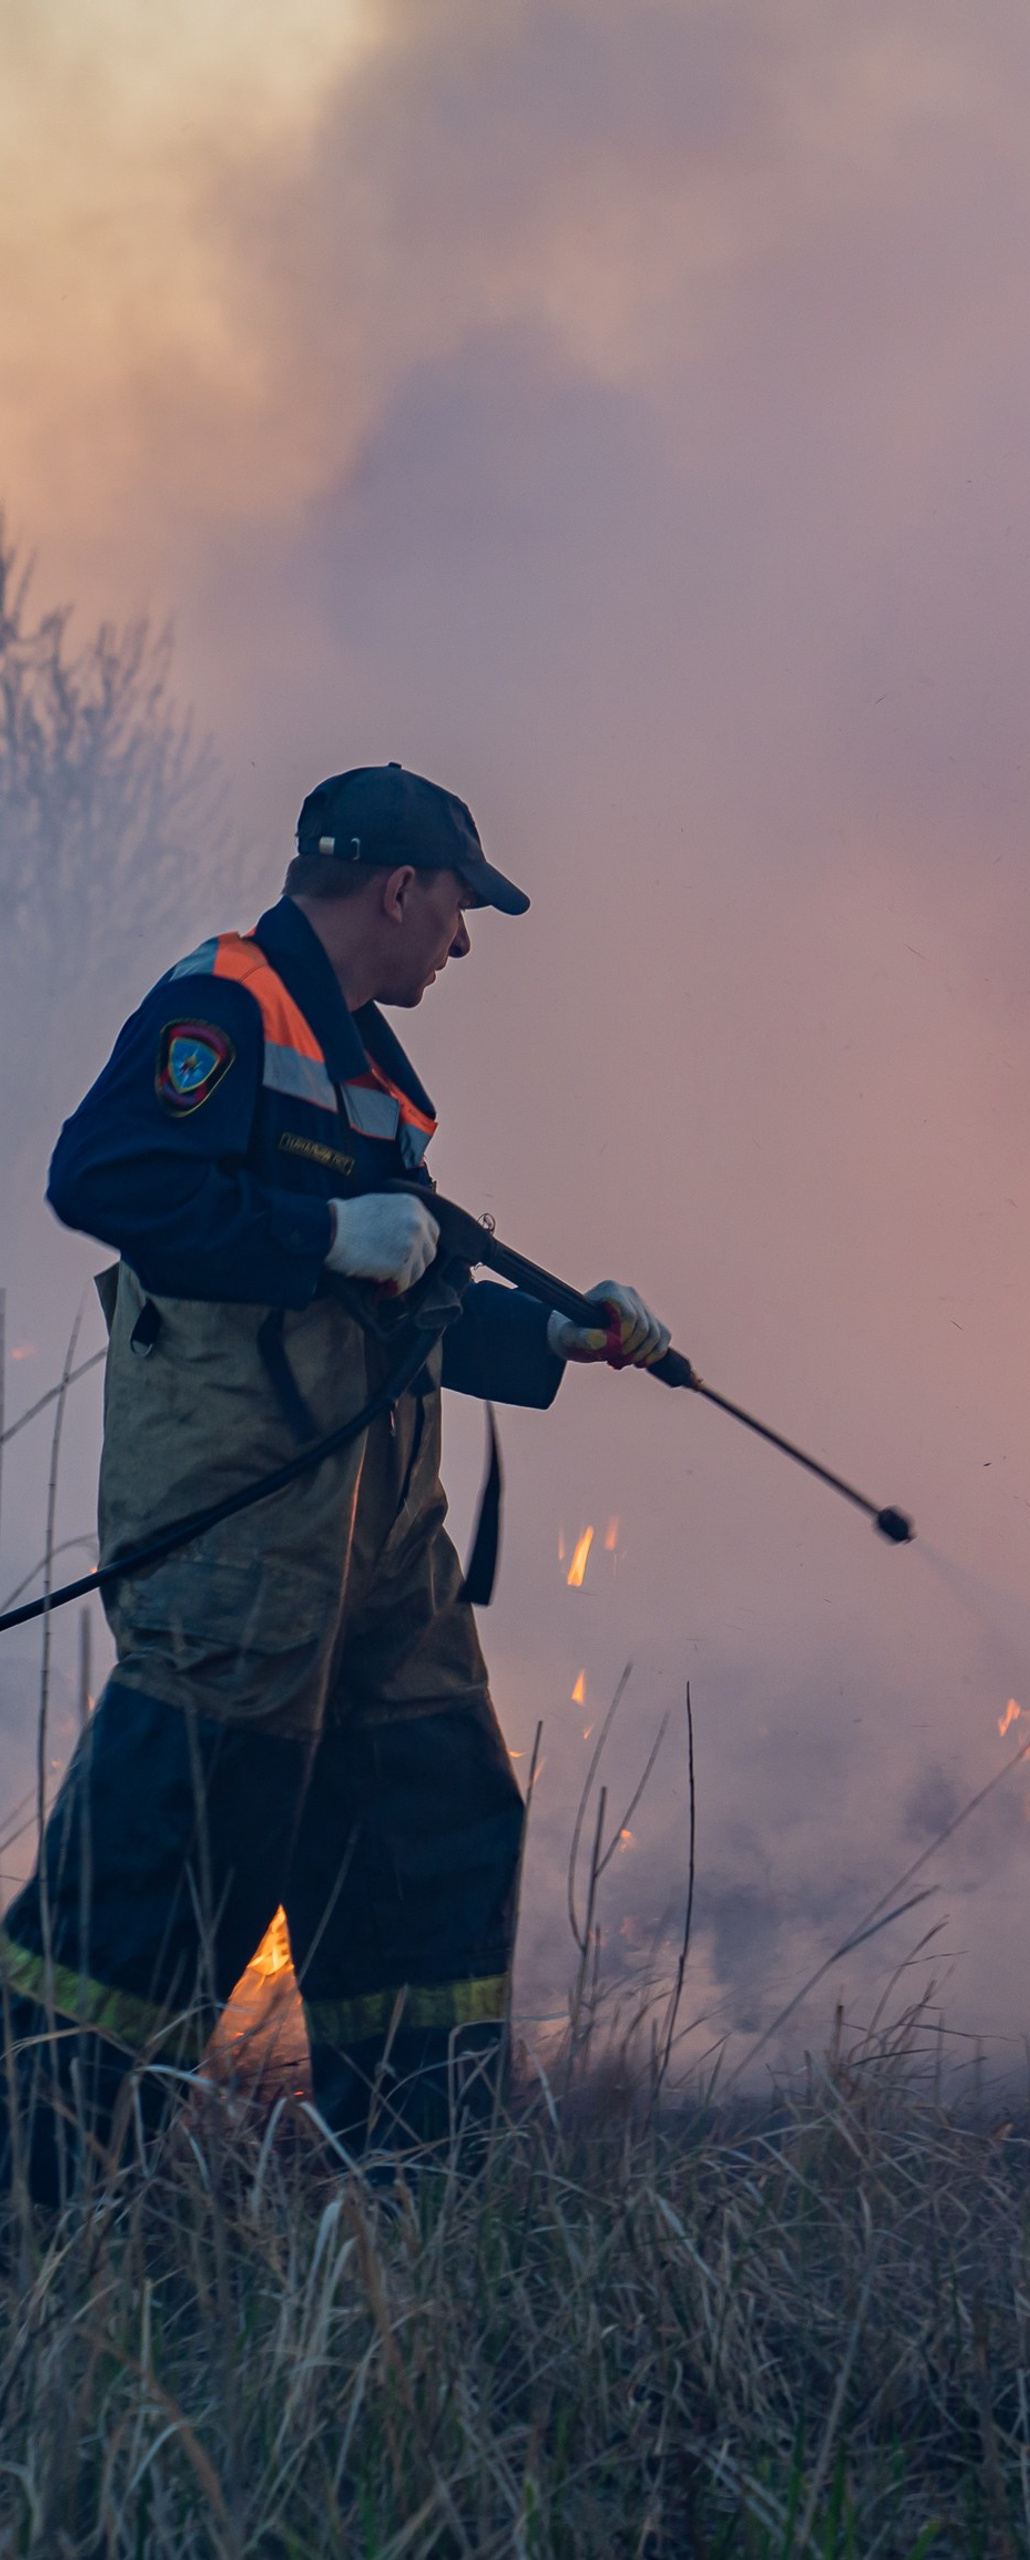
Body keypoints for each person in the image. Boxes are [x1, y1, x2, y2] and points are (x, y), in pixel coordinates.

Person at [1, 762, 664, 2198]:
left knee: (431, 1805)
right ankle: (32, 2192)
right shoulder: (228, 1003)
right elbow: (104, 1178)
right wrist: (320, 1236)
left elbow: (399, 1300)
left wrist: (554, 1329)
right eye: (461, 910)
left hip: (379, 1530)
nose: (464, 944)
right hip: (243, 1516)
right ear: (400, 888)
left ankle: (418, 2181)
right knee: (188, 1835)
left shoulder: (366, 1071)